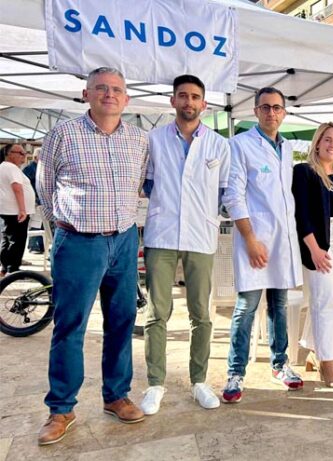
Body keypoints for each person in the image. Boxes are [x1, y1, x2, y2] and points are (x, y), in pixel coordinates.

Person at [37, 67, 149, 445]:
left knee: (122, 319)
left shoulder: (138, 139)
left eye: (117, 89)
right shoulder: (63, 134)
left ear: (127, 99)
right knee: (71, 326)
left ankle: (116, 395)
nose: (109, 94)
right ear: (86, 94)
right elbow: (45, 187)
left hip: (123, 240)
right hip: (79, 242)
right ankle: (61, 408)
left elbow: (140, 184)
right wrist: (68, 228)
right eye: (101, 88)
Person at [139, 75, 231, 415]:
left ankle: (199, 381)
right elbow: (147, 184)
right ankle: (155, 384)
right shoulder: (154, 139)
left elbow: (224, 191)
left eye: (195, 97)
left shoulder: (219, 145)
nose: (189, 102)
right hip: (161, 234)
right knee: (156, 313)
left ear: (204, 104)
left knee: (201, 314)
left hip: (200, 236)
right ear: (173, 101)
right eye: (183, 96)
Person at [221, 87, 304, 403]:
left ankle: (281, 365)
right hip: (254, 240)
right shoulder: (240, 145)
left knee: (279, 306)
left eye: (277, 108)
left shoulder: (289, 148)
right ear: (255, 111)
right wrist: (251, 240)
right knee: (246, 308)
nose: (272, 113)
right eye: (265, 107)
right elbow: (233, 195)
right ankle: (236, 371)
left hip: (282, 243)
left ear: (284, 113)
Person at [292, 122, 333, 388]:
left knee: (332, 299)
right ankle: (327, 361)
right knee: (324, 300)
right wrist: (314, 249)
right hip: (319, 243)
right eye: (327, 140)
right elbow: (301, 213)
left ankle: (313, 351)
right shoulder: (304, 172)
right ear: (317, 143)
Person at [0, 144, 35, 276]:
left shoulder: (5, 167)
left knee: (8, 238)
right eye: (20, 153)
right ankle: (12, 269)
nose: (24, 156)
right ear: (9, 154)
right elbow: (17, 188)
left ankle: (6, 266)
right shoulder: (11, 168)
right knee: (17, 240)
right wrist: (22, 209)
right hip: (15, 210)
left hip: (9, 209)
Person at [23, 148, 44, 254]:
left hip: (40, 201)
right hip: (35, 202)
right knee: (35, 224)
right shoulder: (30, 169)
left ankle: (39, 246)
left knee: (41, 224)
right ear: (36, 157)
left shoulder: (39, 168)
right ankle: (33, 246)